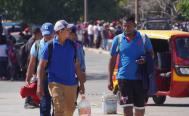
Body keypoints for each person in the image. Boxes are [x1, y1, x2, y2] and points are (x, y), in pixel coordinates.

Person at [37, 20, 85, 116]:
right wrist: (39, 85)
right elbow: (41, 67)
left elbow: (77, 66)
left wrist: (82, 84)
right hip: (55, 83)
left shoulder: (72, 46)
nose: (69, 31)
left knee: (69, 111)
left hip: (71, 83)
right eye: (67, 30)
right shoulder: (49, 46)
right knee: (59, 108)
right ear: (60, 31)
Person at [108, 15, 153, 116]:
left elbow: (151, 54)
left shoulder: (143, 38)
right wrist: (109, 79)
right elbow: (112, 60)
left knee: (140, 109)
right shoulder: (118, 39)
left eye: (129, 26)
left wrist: (145, 59)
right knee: (127, 109)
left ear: (134, 25)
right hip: (124, 79)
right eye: (124, 26)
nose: (126, 28)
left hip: (141, 79)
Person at [25, 23, 54, 115]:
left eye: (49, 34)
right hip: (43, 78)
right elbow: (32, 63)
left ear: (54, 33)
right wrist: (28, 77)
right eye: (45, 34)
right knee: (45, 105)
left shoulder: (58, 44)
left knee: (58, 106)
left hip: (57, 78)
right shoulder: (37, 45)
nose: (47, 36)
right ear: (42, 33)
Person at [22, 27, 42, 108]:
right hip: (31, 67)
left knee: (33, 84)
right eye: (40, 34)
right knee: (31, 85)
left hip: (32, 66)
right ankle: (27, 103)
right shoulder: (32, 42)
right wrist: (31, 70)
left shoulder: (32, 41)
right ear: (37, 33)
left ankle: (33, 101)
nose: (41, 35)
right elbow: (30, 58)